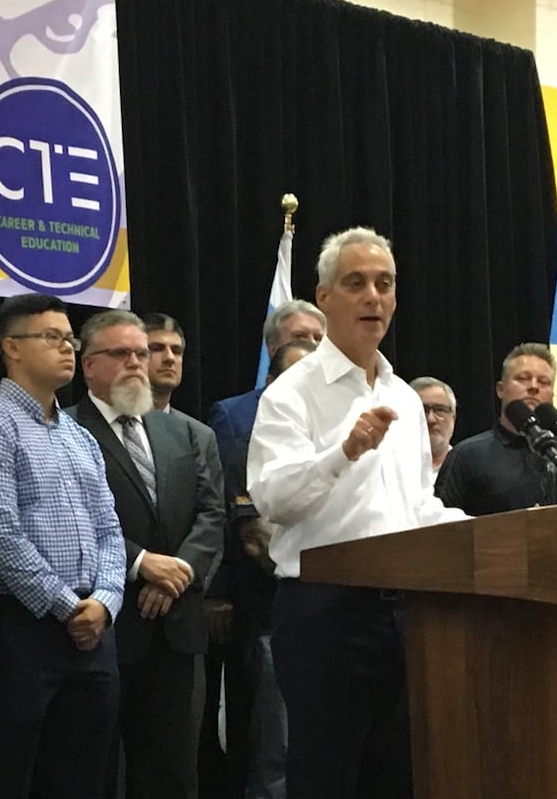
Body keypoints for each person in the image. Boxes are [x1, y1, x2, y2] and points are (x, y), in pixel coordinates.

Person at [247, 226, 468, 799]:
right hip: (324, 612)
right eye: (356, 283)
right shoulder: (291, 394)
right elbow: (273, 498)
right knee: (326, 778)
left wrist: (484, 533)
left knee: (394, 778)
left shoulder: (403, 398)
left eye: (384, 284)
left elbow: (416, 507)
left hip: (403, 612)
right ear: (324, 297)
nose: (373, 296)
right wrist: (343, 452)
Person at [0, 293, 125, 799]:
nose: (68, 347)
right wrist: (70, 608)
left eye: (70, 338)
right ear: (12, 347)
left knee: (84, 777)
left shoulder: (80, 435)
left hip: (93, 627)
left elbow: (110, 530)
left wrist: (105, 602)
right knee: (12, 776)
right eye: (52, 337)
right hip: (22, 627)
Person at [69, 310, 226, 799]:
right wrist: (140, 564)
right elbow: (73, 518)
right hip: (104, 627)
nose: (137, 363)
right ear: (88, 364)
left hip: (176, 628)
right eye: (121, 354)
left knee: (172, 772)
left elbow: (211, 514)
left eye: (141, 353)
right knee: (95, 771)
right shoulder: (66, 430)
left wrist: (178, 573)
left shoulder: (183, 432)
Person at [228, 338, 316, 799]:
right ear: (272, 385)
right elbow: (256, 539)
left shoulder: (341, 446)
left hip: (339, 619)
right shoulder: (250, 448)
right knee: (277, 754)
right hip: (276, 617)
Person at [435, 343, 557, 515]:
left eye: (543, 382)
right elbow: (440, 524)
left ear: (552, 394)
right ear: (500, 390)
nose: (534, 386)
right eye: (523, 378)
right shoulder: (468, 455)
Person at [208, 299, 326, 469]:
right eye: (299, 336)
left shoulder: (341, 407)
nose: (311, 345)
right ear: (272, 348)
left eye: (318, 338)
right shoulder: (233, 416)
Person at [410, 376, 456, 473]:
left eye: (439, 410)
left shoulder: (468, 468)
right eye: (423, 410)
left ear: (453, 417)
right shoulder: (389, 467)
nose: (430, 419)